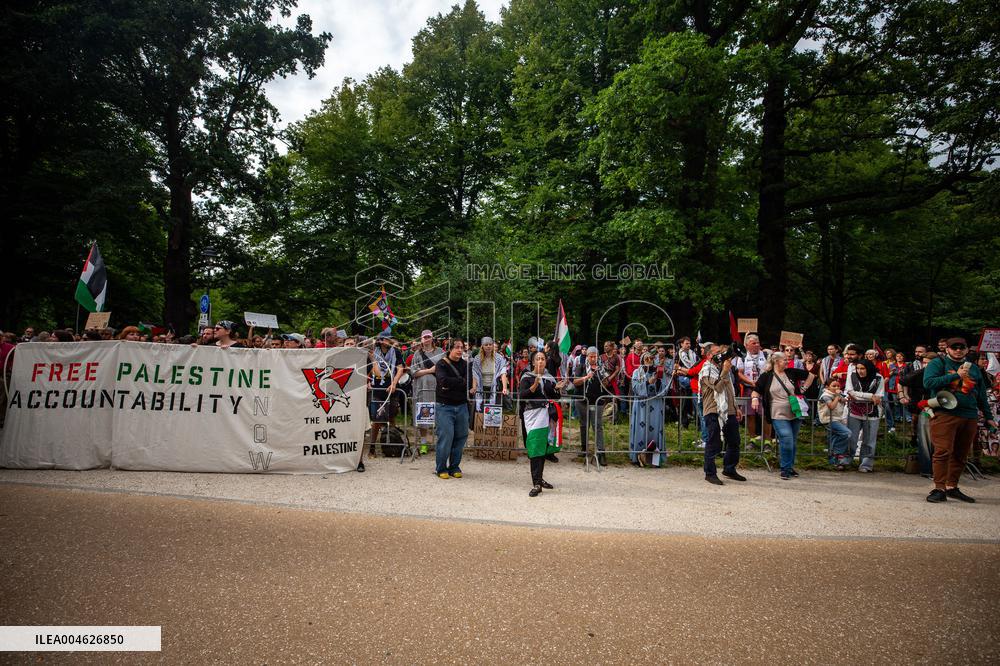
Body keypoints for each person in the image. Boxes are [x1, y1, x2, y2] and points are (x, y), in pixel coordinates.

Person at [923, 337, 997, 503]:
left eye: (961, 347)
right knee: (943, 451)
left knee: (961, 454)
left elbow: (981, 394)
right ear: (947, 349)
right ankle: (939, 488)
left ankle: (952, 487)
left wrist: (989, 417)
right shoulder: (938, 363)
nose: (958, 350)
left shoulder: (974, 368)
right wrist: (956, 375)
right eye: (954, 347)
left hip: (969, 415)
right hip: (945, 413)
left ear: (966, 350)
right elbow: (928, 383)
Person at [752, 351, 813, 480]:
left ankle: (789, 467)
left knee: (792, 441)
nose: (787, 361)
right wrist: (755, 399)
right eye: (784, 359)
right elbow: (756, 390)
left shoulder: (791, 372)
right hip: (777, 413)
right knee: (787, 438)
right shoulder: (766, 376)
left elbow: (811, 375)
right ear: (776, 361)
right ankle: (785, 468)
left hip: (795, 411)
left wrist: (803, 389)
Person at [518, 350, 567, 496]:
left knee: (542, 448)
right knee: (535, 448)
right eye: (538, 359)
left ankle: (539, 480)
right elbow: (522, 395)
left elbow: (554, 397)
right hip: (532, 416)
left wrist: (556, 389)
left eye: (543, 359)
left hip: (546, 416)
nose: (540, 361)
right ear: (533, 362)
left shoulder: (549, 377)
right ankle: (537, 483)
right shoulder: (527, 377)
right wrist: (533, 386)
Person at [699, 345, 745, 484]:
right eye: (717, 352)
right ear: (708, 355)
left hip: (729, 410)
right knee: (714, 442)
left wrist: (736, 407)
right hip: (713, 409)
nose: (721, 354)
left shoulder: (723, 369)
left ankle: (729, 469)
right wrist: (725, 371)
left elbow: (730, 389)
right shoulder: (706, 370)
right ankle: (710, 473)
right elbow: (718, 387)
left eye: (721, 352)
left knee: (734, 441)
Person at [434, 338, 473, 479]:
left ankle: (454, 466)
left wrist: (453, 384)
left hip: (462, 406)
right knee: (446, 437)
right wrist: (460, 381)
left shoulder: (466, 365)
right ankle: (441, 468)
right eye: (457, 347)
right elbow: (442, 381)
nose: (460, 350)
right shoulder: (441, 364)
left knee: (461, 437)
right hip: (444, 406)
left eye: (461, 347)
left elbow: (468, 383)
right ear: (450, 349)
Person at [900, 351, 937, 477]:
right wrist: (903, 395)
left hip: (942, 409)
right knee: (926, 441)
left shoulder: (942, 373)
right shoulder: (920, 373)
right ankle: (927, 470)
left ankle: (939, 469)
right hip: (925, 409)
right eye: (924, 363)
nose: (926, 365)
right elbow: (902, 381)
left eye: (929, 363)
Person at [572, 346, 610, 465]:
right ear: (587, 356)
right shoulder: (581, 367)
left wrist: (603, 378)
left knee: (597, 426)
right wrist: (586, 377)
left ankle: (601, 452)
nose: (593, 358)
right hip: (582, 401)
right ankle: (584, 449)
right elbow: (575, 382)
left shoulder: (602, 368)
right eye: (591, 356)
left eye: (595, 356)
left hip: (597, 402)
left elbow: (606, 384)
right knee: (584, 425)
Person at [629, 352, 668, 467]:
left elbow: (665, 389)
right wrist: (647, 382)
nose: (649, 360)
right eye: (646, 359)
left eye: (651, 358)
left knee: (655, 428)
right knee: (640, 429)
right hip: (641, 406)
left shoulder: (659, 372)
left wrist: (658, 380)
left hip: (655, 405)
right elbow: (635, 388)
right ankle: (638, 456)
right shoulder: (637, 372)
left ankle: (655, 459)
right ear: (642, 361)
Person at [370, 331, 405, 455]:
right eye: (387, 339)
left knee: (391, 417)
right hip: (378, 389)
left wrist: (394, 383)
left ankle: (391, 446)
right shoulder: (374, 352)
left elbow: (400, 368)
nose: (389, 341)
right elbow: (376, 372)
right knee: (377, 420)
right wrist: (373, 360)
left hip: (393, 390)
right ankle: (372, 447)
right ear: (380, 340)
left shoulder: (396, 351)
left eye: (390, 339)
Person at [846, 360, 883, 472]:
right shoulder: (852, 376)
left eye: (862, 369)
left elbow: (878, 396)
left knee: (869, 440)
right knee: (851, 437)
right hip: (854, 411)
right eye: (858, 368)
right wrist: (870, 396)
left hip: (872, 413)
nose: (859, 371)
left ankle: (866, 464)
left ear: (868, 369)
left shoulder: (878, 378)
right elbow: (850, 392)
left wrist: (860, 396)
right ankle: (846, 461)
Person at [410, 330, 444, 453]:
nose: (427, 339)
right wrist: (430, 370)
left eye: (429, 337)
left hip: (437, 388)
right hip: (421, 388)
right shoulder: (417, 354)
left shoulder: (440, 352)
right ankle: (423, 443)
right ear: (421, 339)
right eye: (425, 337)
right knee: (423, 416)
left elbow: (444, 369)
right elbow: (414, 372)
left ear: (432, 338)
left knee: (440, 415)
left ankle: (440, 443)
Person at [736, 334, 772, 447]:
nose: (757, 345)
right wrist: (750, 382)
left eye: (758, 342)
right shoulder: (742, 356)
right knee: (750, 415)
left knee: (765, 415)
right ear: (747, 345)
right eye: (754, 343)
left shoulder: (766, 355)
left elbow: (771, 370)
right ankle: (752, 439)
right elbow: (739, 373)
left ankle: (767, 441)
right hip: (749, 388)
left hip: (763, 389)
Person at [819, 377, 851, 470]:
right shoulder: (826, 396)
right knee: (847, 433)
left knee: (833, 438)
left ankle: (833, 461)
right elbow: (831, 406)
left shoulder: (836, 394)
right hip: (829, 420)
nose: (836, 387)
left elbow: (844, 401)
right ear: (827, 387)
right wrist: (837, 397)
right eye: (834, 386)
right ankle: (838, 452)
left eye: (838, 386)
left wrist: (844, 398)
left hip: (837, 419)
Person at [471, 336, 510, 412]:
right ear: (482, 346)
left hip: (495, 387)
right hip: (481, 388)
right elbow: (475, 374)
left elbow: (503, 373)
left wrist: (504, 388)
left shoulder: (499, 358)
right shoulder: (477, 358)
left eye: (490, 344)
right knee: (481, 411)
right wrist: (474, 387)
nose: (488, 346)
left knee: (493, 411)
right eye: (486, 345)